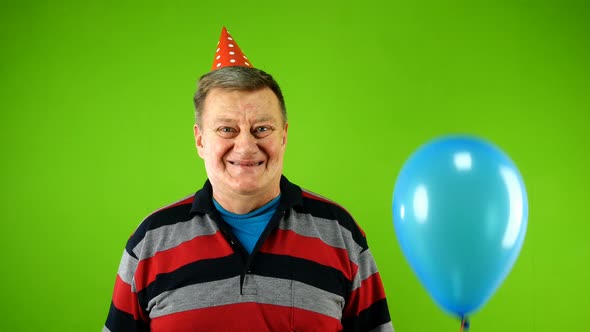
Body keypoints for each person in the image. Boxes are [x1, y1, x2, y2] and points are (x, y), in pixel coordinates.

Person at [103, 27, 394, 332]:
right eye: (227, 129)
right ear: (200, 140)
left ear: (284, 134)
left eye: (262, 129)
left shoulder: (339, 233)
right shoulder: (151, 240)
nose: (245, 147)